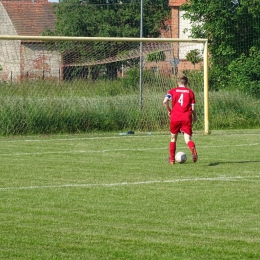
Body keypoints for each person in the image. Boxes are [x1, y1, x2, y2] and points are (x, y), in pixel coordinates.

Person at [163, 75, 198, 164]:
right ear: (186, 83)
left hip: (175, 117)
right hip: (186, 117)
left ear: (178, 82)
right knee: (187, 139)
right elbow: (193, 108)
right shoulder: (190, 92)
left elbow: (165, 101)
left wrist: (170, 110)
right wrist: (195, 116)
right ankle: (192, 148)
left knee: (173, 138)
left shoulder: (172, 91)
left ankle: (172, 159)